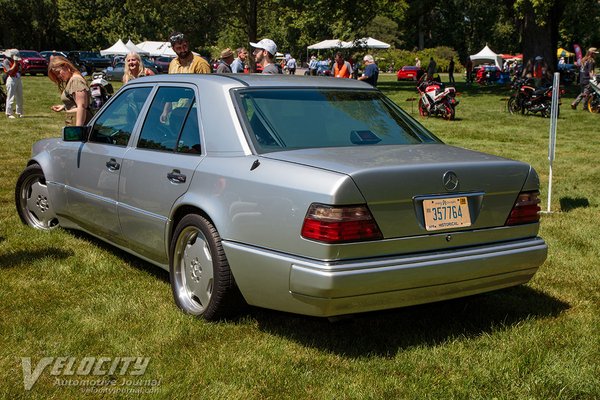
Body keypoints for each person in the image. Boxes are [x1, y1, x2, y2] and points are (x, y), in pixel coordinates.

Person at [48, 56, 91, 126]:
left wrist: (78, 129)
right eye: (56, 74)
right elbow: (77, 101)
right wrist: (64, 106)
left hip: (80, 124)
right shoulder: (72, 80)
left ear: (65, 66)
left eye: (58, 72)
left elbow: (82, 106)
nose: (58, 76)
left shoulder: (75, 80)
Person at [2, 49, 23, 119]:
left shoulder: (17, 61)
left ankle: (19, 112)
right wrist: (15, 63)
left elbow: (20, 70)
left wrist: (19, 66)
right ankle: (8, 113)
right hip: (11, 78)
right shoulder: (6, 61)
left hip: (18, 78)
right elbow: (9, 72)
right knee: (10, 96)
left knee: (20, 96)